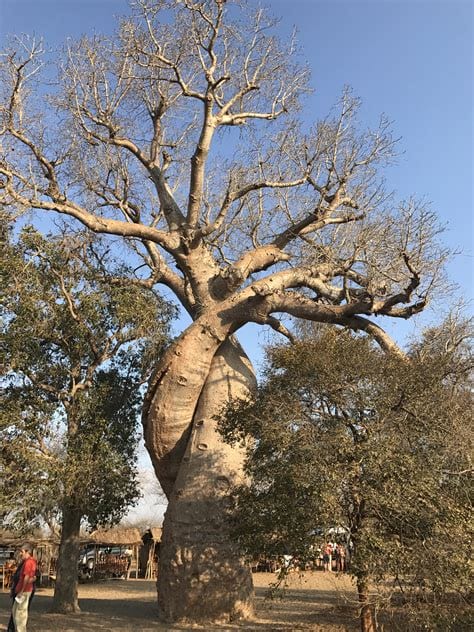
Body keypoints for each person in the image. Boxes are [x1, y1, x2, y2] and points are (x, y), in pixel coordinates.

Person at [10, 543, 37, 632]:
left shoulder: (29, 562)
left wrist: (22, 590)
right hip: (20, 591)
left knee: (20, 615)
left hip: (24, 591)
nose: (21, 554)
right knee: (15, 612)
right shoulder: (25, 562)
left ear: (27, 552)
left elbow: (26, 577)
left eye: (22, 552)